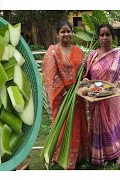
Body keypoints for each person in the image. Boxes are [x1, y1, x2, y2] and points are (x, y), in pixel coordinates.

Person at [42, 20, 90, 170]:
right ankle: (61, 156)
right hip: (62, 96)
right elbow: (50, 75)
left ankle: (77, 156)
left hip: (77, 95)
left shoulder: (79, 51)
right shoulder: (53, 51)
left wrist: (84, 69)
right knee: (63, 124)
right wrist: (64, 91)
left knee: (77, 124)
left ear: (72, 33)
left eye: (68, 31)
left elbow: (83, 74)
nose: (66, 34)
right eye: (63, 31)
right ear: (57, 34)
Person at [83, 24, 120, 169]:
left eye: (107, 34)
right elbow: (87, 76)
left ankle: (117, 155)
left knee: (113, 126)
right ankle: (99, 155)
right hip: (96, 98)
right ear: (98, 37)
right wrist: (85, 83)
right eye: (101, 35)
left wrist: (119, 83)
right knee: (98, 126)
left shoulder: (119, 56)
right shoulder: (92, 55)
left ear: (112, 37)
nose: (104, 38)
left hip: (112, 99)